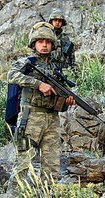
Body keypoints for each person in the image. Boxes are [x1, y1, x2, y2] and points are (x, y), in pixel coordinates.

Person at [7, 23, 75, 183]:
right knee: (24, 160)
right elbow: (11, 76)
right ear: (34, 43)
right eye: (40, 41)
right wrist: (38, 84)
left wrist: (67, 101)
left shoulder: (56, 68)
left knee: (52, 163)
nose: (44, 45)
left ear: (52, 44)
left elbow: (60, 98)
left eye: (48, 42)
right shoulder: (27, 62)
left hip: (52, 119)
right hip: (30, 117)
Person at [48, 9, 76, 73]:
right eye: (55, 20)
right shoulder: (47, 36)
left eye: (59, 21)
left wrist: (74, 71)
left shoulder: (65, 38)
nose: (57, 22)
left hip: (63, 70)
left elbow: (71, 56)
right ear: (51, 21)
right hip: (49, 69)